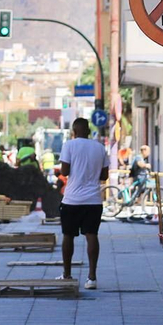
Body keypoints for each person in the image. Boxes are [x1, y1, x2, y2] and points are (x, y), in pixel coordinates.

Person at [57, 117, 110, 290]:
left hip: (72, 200)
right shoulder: (100, 148)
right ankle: (92, 277)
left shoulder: (69, 145)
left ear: (74, 131)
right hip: (93, 200)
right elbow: (104, 176)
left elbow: (64, 172)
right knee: (91, 235)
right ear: (88, 130)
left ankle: (67, 274)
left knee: (68, 236)